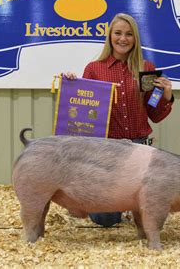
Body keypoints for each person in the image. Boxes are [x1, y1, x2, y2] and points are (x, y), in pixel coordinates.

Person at [63, 13, 174, 227]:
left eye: (129, 34)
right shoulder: (94, 69)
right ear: (110, 36)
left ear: (135, 38)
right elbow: (84, 109)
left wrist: (167, 96)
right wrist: (72, 84)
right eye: (118, 33)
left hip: (139, 147)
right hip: (107, 150)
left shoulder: (146, 68)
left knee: (150, 218)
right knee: (105, 220)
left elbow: (155, 114)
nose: (123, 39)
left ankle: (133, 201)